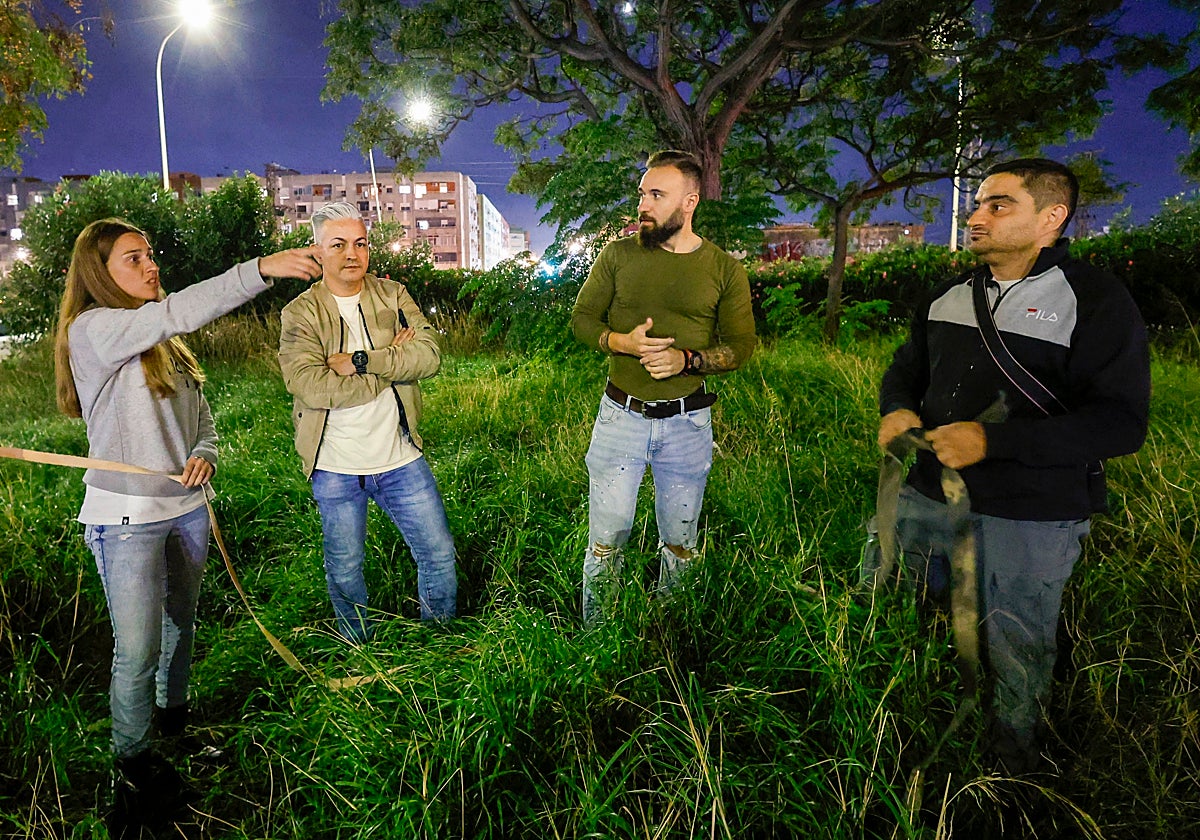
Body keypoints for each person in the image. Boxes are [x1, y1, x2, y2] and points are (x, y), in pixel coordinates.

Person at [877, 158, 1150, 772]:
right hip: (925, 498)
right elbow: (905, 371)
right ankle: (904, 740)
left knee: (1015, 644)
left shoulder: (1095, 299)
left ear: (1052, 218)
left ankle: (1011, 771)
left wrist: (994, 444)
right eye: (979, 204)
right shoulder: (950, 294)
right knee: (906, 614)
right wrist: (895, 409)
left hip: (1029, 517)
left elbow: (1121, 424)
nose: (976, 217)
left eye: (998, 206)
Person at [53, 218, 320, 819]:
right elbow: (180, 310)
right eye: (132, 259)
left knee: (181, 630)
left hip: (186, 512)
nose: (150, 266)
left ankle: (175, 729)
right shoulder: (94, 330)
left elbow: (203, 425)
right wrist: (261, 269)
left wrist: (203, 454)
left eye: (149, 255)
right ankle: (133, 764)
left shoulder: (164, 345)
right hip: (127, 518)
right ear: (100, 273)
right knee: (138, 647)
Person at [571, 150, 758, 625]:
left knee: (680, 542)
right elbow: (581, 319)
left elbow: (741, 346)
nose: (644, 204)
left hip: (687, 424)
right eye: (642, 193)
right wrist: (622, 343)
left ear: (689, 201)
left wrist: (687, 359)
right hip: (620, 419)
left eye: (657, 194)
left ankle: (671, 634)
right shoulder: (618, 255)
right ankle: (598, 640)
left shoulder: (723, 269)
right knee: (606, 541)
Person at [278, 201, 456, 643]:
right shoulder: (300, 313)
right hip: (335, 466)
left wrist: (361, 361)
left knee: (438, 554)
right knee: (344, 567)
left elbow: (429, 357)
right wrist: (387, 372)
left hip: (400, 457)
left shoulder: (393, 295)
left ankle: (438, 646)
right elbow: (308, 384)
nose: (351, 254)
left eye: (360, 243)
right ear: (318, 252)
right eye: (338, 245)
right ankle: (360, 651)